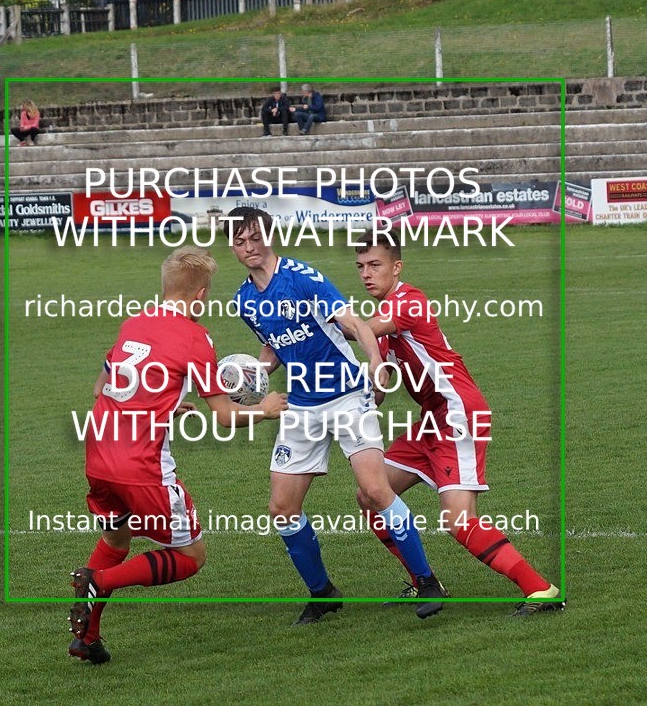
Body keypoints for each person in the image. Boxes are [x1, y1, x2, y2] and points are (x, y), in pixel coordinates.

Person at [223, 207, 447, 625]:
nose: (249, 247)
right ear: (232, 246)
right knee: (282, 508)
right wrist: (251, 377)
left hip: (347, 395)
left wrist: (377, 367)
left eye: (255, 237)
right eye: (240, 241)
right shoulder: (244, 300)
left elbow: (357, 325)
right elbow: (275, 347)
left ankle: (426, 580)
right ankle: (322, 592)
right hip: (301, 405)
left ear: (269, 236)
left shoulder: (302, 277)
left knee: (376, 492)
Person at [68, 246, 288, 664]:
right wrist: (266, 409)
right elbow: (224, 417)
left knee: (116, 538)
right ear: (201, 294)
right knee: (191, 557)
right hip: (141, 465)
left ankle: (87, 637)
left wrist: (165, 403)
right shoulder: (195, 338)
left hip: (98, 453)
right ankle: (98, 580)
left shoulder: (133, 323)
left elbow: (102, 388)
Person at [351, 229, 564, 617]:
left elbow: (368, 328)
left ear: (397, 268)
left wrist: (321, 323)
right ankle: (424, 582)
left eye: (375, 265)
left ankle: (541, 589)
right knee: (371, 494)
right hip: (431, 420)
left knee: (457, 519)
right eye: (361, 266)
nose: (366, 273)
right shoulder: (380, 329)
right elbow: (379, 386)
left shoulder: (409, 302)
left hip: (458, 414)